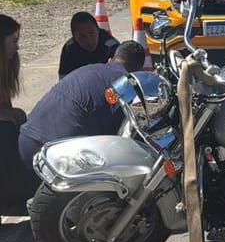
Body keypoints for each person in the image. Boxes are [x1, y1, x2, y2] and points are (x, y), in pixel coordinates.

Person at [18, 40, 145, 171]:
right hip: (57, 157)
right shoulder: (125, 85)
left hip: (26, 140)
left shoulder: (88, 69)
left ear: (110, 59)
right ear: (137, 71)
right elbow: (120, 140)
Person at [58, 11, 119, 79]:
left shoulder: (110, 44)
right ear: (74, 38)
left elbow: (126, 72)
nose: (89, 41)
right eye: (82, 36)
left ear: (98, 30)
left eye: (92, 33)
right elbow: (64, 81)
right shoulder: (69, 49)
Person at [0, 14, 26, 127]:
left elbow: (6, 105)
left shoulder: (7, 65)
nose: (17, 47)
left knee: (18, 116)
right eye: (14, 41)